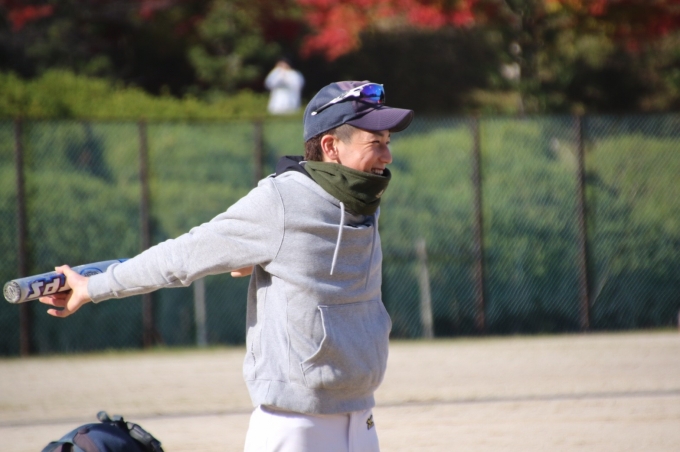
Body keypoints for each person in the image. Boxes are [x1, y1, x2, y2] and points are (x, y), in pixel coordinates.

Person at [39, 80, 414, 452]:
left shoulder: (362, 201)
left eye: (388, 141)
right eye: (375, 143)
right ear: (331, 147)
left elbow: (311, 260)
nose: (387, 156)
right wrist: (93, 287)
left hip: (362, 417)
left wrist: (280, 256)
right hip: (295, 423)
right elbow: (181, 257)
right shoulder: (280, 202)